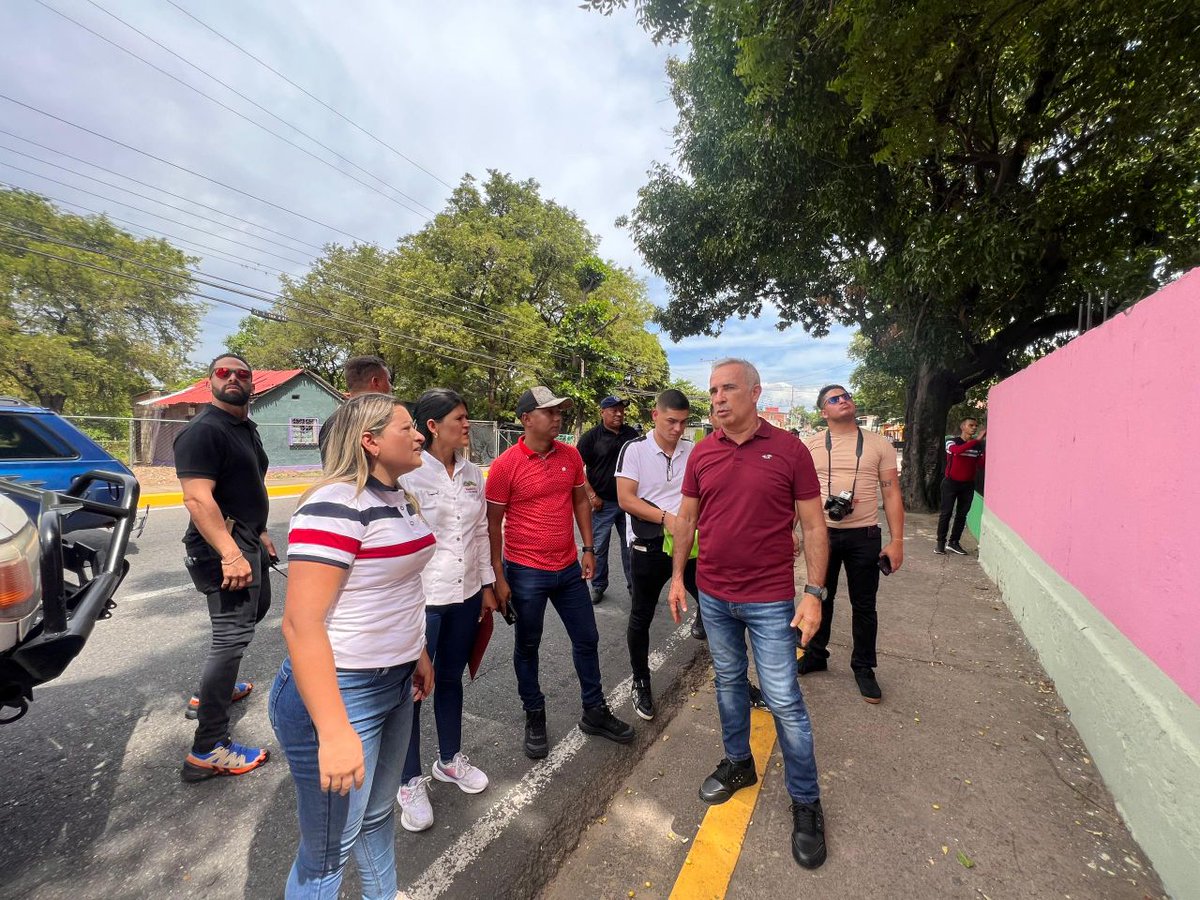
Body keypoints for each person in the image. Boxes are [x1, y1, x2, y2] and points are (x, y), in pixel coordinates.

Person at [269, 393, 436, 898]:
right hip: (343, 692)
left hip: (395, 681)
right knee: (327, 853)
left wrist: (418, 652)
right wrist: (335, 730)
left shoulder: (400, 498)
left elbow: (400, 586)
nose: (420, 436)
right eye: (407, 428)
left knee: (377, 816)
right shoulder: (335, 503)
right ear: (370, 441)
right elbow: (300, 624)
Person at [668, 358, 831, 869]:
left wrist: (815, 593)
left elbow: (814, 525)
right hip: (714, 596)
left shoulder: (789, 450)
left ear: (756, 393)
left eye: (728, 388)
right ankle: (739, 763)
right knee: (729, 684)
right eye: (712, 390)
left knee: (784, 701)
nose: (717, 398)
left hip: (770, 599)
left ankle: (806, 801)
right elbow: (688, 519)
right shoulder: (701, 453)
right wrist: (678, 577)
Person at [486, 386, 635, 759]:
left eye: (559, 412)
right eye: (549, 412)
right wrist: (499, 577)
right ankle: (534, 713)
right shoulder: (506, 465)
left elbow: (580, 500)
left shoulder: (569, 455)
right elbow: (491, 526)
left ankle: (594, 710)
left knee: (587, 638)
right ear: (526, 420)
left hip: (568, 567)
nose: (557, 418)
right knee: (528, 645)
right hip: (525, 572)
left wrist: (588, 548)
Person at [395, 389, 495, 832]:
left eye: (468, 417)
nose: (468, 424)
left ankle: (449, 759)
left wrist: (488, 586)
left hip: (467, 595)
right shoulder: (409, 476)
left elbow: (480, 535)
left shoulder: (474, 474)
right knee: (414, 690)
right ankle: (408, 780)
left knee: (451, 678)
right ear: (432, 426)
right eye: (460, 418)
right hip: (425, 600)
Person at [176, 353, 275, 781]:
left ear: (253, 384)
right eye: (223, 372)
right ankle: (208, 747)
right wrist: (230, 553)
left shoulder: (242, 428)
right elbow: (198, 498)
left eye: (242, 374)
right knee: (231, 636)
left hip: (247, 537)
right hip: (223, 547)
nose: (233, 378)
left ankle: (212, 692)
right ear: (209, 381)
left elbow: (246, 484)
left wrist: (262, 531)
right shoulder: (203, 431)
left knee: (256, 611)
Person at [798, 386, 905, 704]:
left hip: (865, 535)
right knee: (820, 599)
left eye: (846, 396)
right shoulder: (812, 445)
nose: (843, 400)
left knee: (864, 606)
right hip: (822, 534)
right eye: (834, 399)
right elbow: (799, 494)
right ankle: (817, 656)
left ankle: (864, 668)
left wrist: (897, 541)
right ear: (823, 412)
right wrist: (790, 529)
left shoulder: (878, 443)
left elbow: (892, 493)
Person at [615, 389, 700, 720]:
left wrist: (691, 525)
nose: (678, 429)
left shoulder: (692, 451)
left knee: (716, 607)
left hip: (689, 545)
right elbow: (626, 498)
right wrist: (667, 518)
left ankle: (735, 680)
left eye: (683, 422)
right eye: (671, 421)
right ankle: (641, 681)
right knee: (641, 615)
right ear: (655, 415)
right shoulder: (634, 449)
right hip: (648, 545)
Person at [576, 396, 638, 603]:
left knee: (631, 546)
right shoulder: (591, 438)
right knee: (599, 547)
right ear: (602, 412)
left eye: (621, 410)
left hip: (629, 502)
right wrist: (592, 495)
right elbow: (577, 469)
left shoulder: (632, 435)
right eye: (613, 410)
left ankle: (634, 587)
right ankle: (598, 585)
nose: (619, 413)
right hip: (603, 503)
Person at [319, 355, 393, 457]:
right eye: (388, 381)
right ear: (375, 382)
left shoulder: (331, 423)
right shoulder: (384, 419)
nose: (391, 387)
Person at [936, 417, 986, 555]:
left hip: (968, 485)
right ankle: (940, 543)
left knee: (962, 515)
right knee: (946, 513)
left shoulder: (976, 446)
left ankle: (954, 542)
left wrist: (983, 451)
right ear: (962, 427)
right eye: (971, 425)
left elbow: (980, 465)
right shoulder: (952, 442)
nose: (974, 428)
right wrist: (977, 441)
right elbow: (956, 451)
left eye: (976, 426)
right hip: (950, 484)